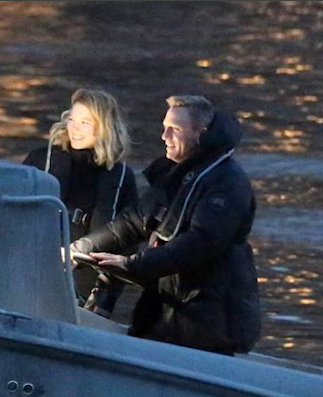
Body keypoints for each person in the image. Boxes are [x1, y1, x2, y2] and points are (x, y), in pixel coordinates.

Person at [71, 95, 261, 355]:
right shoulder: (176, 175)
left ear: (202, 133)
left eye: (175, 129)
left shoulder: (227, 183)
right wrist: (80, 248)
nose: (164, 136)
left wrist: (134, 265)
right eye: (164, 127)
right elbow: (132, 223)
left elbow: (200, 243)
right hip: (168, 314)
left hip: (207, 323)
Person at [22, 88, 138, 318]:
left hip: (85, 291)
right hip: (31, 276)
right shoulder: (41, 159)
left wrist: (107, 300)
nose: (75, 128)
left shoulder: (121, 177)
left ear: (105, 127)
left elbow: (127, 243)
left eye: (85, 122)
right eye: (72, 119)